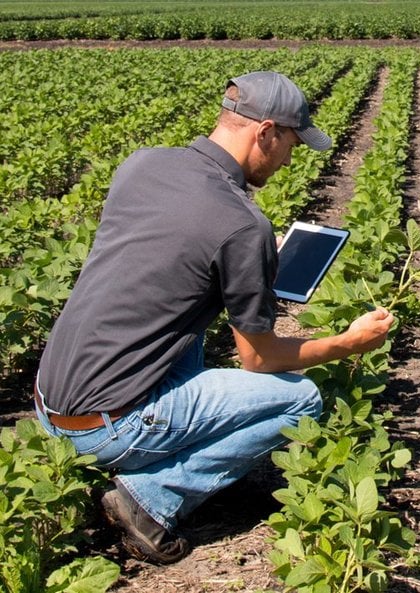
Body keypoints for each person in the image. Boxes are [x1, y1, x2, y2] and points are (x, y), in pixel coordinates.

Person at [33, 71, 394, 565]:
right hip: (104, 426)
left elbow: (172, 256)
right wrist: (349, 343)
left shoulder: (143, 163)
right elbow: (259, 360)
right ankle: (151, 498)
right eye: (291, 144)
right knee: (301, 400)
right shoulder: (242, 225)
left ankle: (151, 442)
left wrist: (250, 266)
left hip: (51, 401)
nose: (290, 160)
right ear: (265, 132)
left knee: (189, 324)